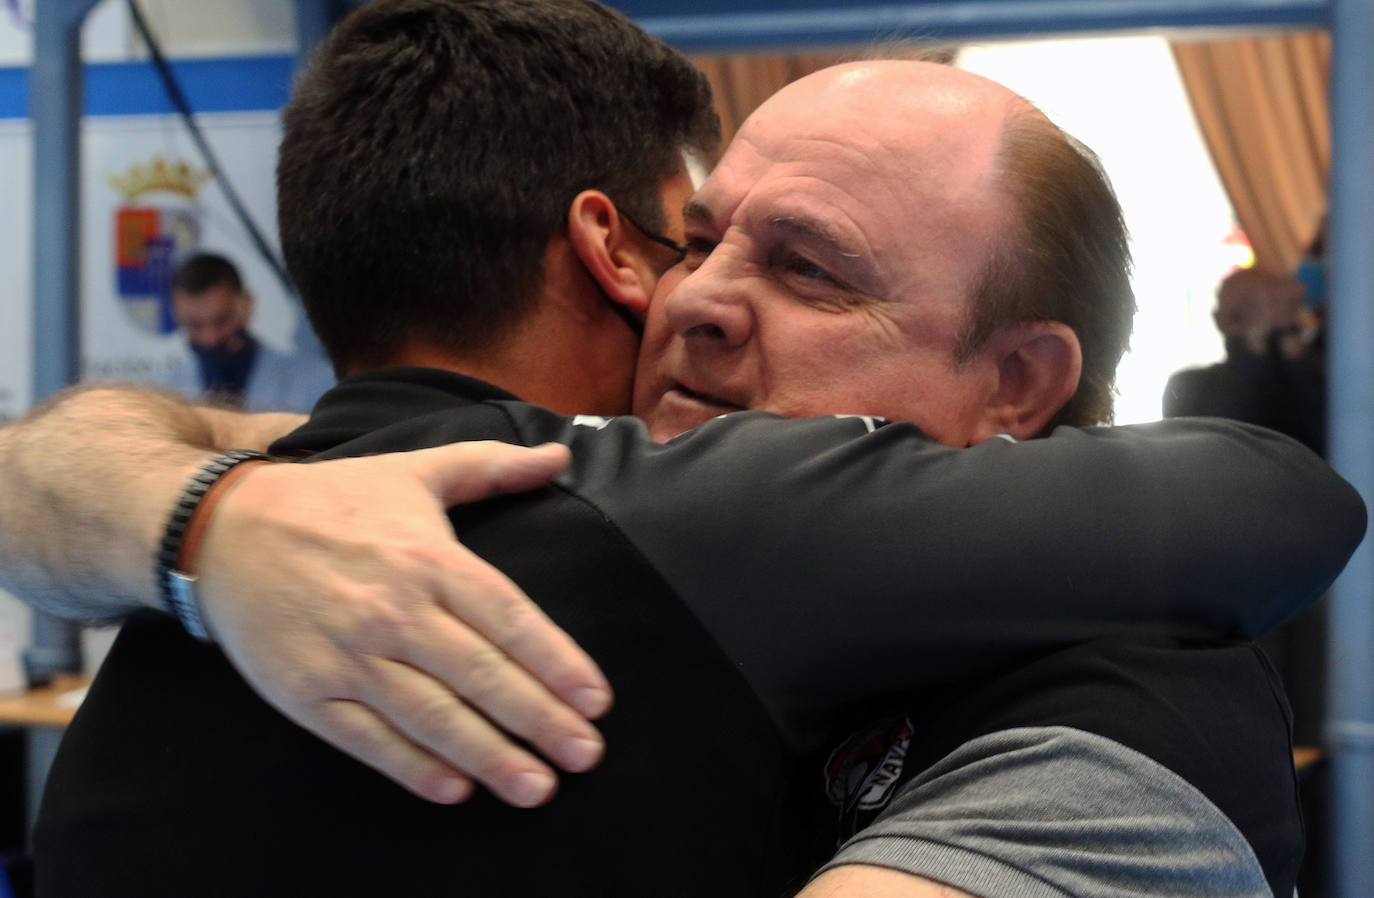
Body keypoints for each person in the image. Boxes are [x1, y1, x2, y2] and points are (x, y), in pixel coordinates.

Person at [0, 2, 1360, 895]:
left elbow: (1276, 503)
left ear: (1016, 383)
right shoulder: (461, 507)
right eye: (699, 238)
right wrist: (208, 522)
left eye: (810, 269)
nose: (694, 299)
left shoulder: (1128, 697)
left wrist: (196, 515)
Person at [159, 252, 335, 412]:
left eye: (222, 320)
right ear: (177, 316)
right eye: (194, 325)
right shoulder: (165, 396)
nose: (210, 338)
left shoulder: (317, 383)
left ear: (247, 304)